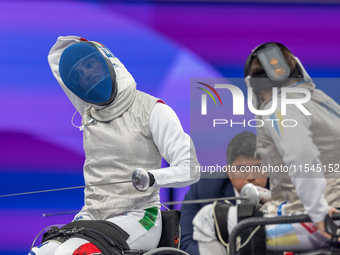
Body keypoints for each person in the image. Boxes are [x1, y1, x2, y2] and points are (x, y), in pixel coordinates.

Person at [29, 36, 200, 255]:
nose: (86, 75)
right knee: (40, 253)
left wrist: (153, 177)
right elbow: (56, 59)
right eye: (78, 76)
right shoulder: (89, 111)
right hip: (92, 215)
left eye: (90, 65)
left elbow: (191, 169)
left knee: (71, 253)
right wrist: (77, 43)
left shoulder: (152, 110)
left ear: (108, 62)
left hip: (139, 215)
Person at [244, 42, 340, 251]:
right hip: (334, 213)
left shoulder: (278, 106)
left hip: (317, 224)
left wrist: (318, 212)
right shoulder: (321, 103)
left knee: (215, 221)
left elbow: (301, 155)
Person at [180, 131, 269, 255]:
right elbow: (185, 241)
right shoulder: (204, 189)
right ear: (229, 172)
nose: (251, 176)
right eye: (242, 168)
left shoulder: (282, 188)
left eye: (258, 167)